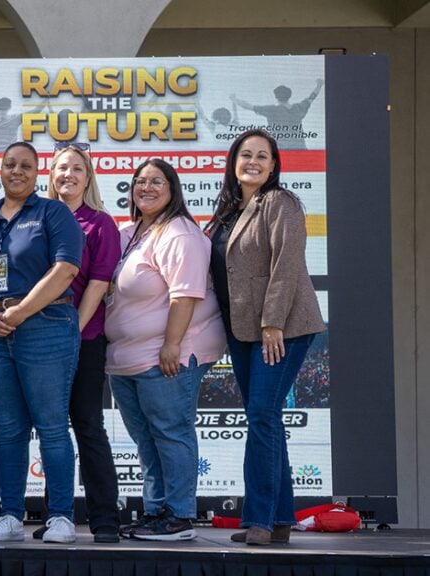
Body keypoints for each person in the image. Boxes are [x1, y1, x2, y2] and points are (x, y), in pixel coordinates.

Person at [0, 142, 84, 544]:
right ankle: (10, 515)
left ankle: (61, 516)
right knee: (9, 429)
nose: (17, 171)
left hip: (45, 324)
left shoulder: (53, 212)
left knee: (51, 425)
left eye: (26, 166)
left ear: (37, 172)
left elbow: (66, 269)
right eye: (10, 164)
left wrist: (22, 312)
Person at [205, 129, 325, 546]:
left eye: (262, 156)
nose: (252, 161)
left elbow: (286, 264)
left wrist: (272, 322)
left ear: (274, 165)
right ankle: (279, 519)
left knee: (260, 415)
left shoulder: (281, 202)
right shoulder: (229, 210)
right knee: (267, 419)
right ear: (233, 161)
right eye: (245, 154)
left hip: (282, 329)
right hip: (242, 331)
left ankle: (258, 518)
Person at [104, 159, 226, 541]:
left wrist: (172, 344)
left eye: (157, 181)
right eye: (140, 181)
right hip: (127, 359)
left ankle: (179, 515)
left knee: (171, 433)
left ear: (173, 189)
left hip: (167, 354)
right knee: (147, 440)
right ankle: (155, 511)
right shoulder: (132, 232)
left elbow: (185, 295)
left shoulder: (180, 232)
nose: (147, 187)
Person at [39, 142, 122, 543]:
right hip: (37, 342)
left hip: (83, 339)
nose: (67, 174)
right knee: (50, 428)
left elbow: (99, 285)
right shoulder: (37, 218)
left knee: (87, 424)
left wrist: (73, 330)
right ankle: (58, 516)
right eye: (60, 168)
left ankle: (105, 518)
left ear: (87, 177)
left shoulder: (100, 223)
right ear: (50, 176)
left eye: (76, 168)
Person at [231, 80, 323, 149]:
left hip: (281, 150)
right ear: (289, 95)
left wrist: (234, 99)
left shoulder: (272, 110)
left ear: (276, 96)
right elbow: (311, 98)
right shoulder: (298, 108)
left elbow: (248, 106)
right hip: (300, 148)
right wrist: (319, 85)